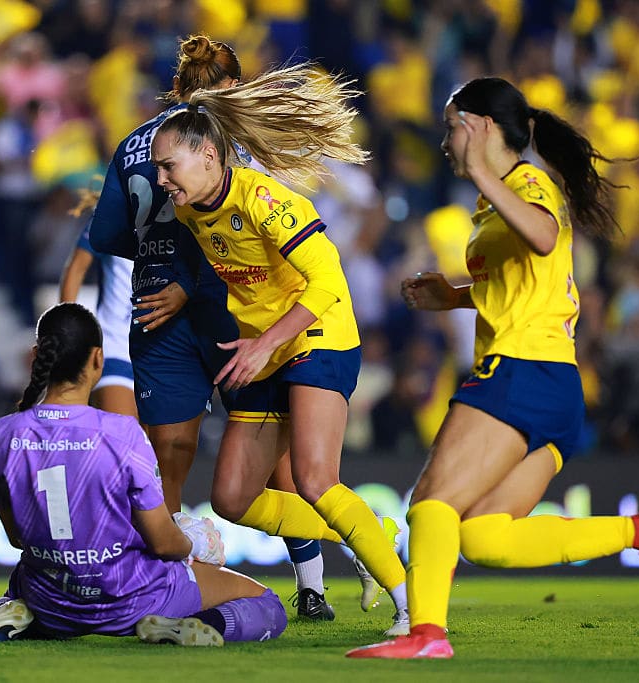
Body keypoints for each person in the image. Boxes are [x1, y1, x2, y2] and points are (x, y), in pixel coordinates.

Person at [344, 77, 639, 660]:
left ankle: (426, 635)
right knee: (484, 536)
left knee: (431, 502)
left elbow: (544, 237)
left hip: (521, 370)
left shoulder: (525, 183)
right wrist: (455, 297)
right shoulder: (498, 199)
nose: (445, 142)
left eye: (452, 128)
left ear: (479, 127)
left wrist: (482, 171)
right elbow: (528, 285)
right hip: (553, 382)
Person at [85, 35, 343, 619]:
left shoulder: (136, 145)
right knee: (270, 456)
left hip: (176, 312)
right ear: (234, 87)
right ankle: (310, 585)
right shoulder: (235, 145)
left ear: (176, 87)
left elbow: (105, 235)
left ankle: (169, 575)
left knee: (169, 449)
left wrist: (159, 261)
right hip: (238, 310)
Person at [150, 61, 410, 636]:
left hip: (318, 334)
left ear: (209, 156)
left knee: (315, 479)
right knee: (232, 498)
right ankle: (372, 531)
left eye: (169, 166)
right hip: (263, 348)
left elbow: (329, 281)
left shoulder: (265, 199)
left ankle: (411, 606)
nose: (162, 179)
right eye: (158, 169)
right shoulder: (190, 209)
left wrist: (264, 342)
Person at [0, 303, 286, 646]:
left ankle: (12, 615)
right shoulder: (122, 433)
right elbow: (164, 544)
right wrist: (194, 542)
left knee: (27, 588)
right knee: (267, 603)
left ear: (36, 357)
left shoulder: (0, 435)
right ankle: (190, 625)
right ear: (98, 359)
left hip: (49, 598)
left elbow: (18, 538)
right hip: (133, 598)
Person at [58, 226, 138, 417]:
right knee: (121, 432)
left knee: (157, 438)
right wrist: (69, 334)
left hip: (165, 354)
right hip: (117, 346)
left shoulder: (184, 213)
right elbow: (76, 268)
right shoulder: (113, 213)